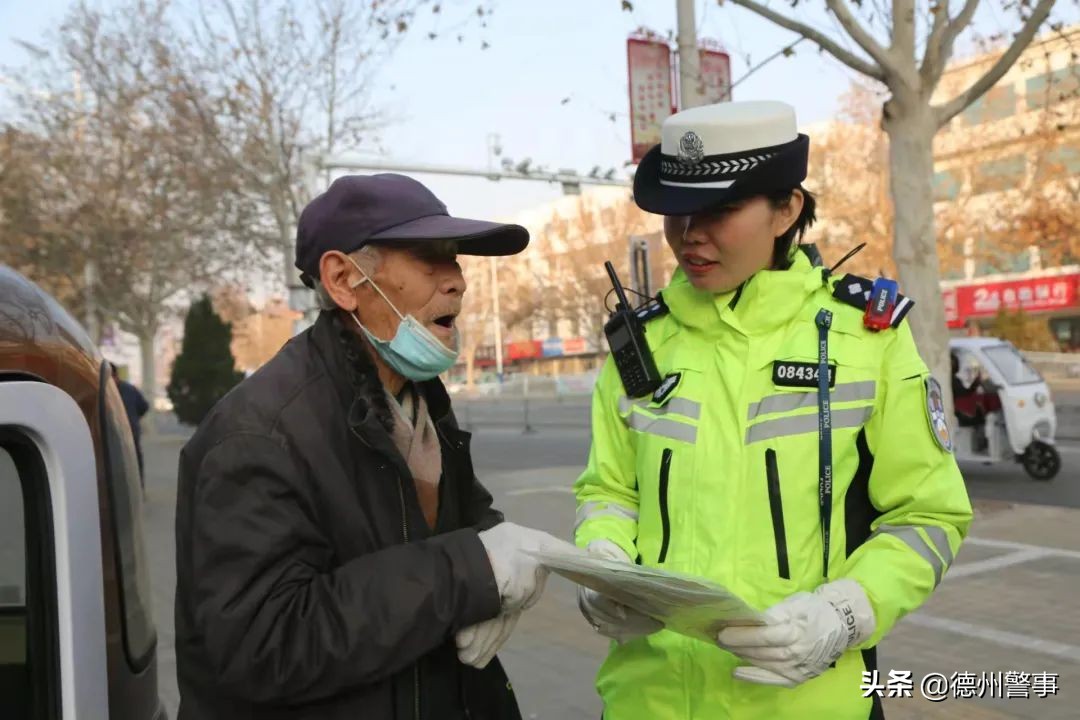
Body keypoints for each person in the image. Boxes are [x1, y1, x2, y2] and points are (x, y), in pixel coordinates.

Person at [573, 101, 973, 719]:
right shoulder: (641, 346)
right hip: (646, 702)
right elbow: (609, 491)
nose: (689, 234)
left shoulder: (866, 339)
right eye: (676, 212)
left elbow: (929, 516)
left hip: (810, 703)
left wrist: (846, 612)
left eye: (719, 210)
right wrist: (604, 562)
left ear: (786, 209)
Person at [175, 174, 569, 720]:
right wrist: (470, 572)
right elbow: (263, 643)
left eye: (455, 259)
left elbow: (462, 525)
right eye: (430, 258)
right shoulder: (259, 433)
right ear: (343, 279)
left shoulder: (419, 400)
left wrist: (497, 569)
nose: (457, 281)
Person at [111, 363, 149, 481]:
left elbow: (144, 406)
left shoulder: (128, 390)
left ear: (115, 376)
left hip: (130, 431)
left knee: (134, 459)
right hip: (117, 432)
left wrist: (134, 418)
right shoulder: (109, 391)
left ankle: (138, 483)